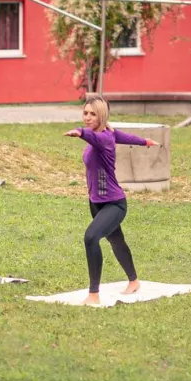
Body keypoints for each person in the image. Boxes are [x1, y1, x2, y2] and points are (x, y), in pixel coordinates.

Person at [65, 95, 158, 305]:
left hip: (114, 203)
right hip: (96, 202)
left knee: (90, 238)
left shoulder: (103, 137)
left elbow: (91, 136)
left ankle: (93, 295)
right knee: (116, 241)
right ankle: (134, 281)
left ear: (102, 116)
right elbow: (124, 136)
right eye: (85, 113)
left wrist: (79, 132)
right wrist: (145, 141)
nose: (88, 117)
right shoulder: (110, 133)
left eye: (93, 114)